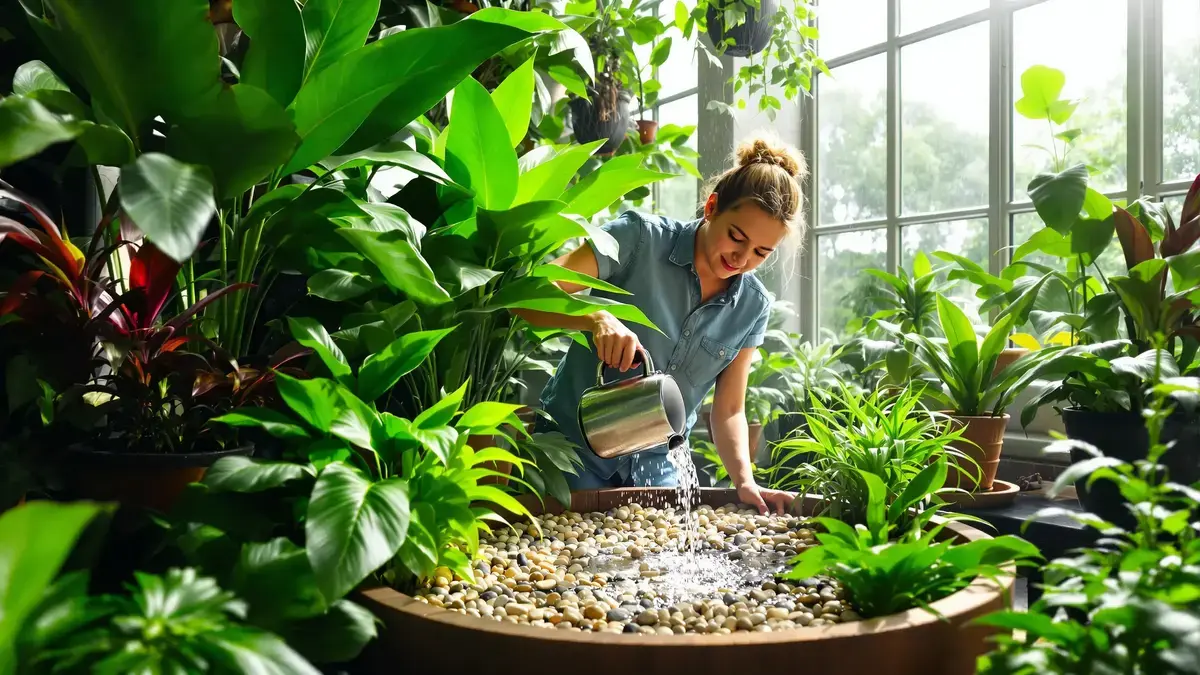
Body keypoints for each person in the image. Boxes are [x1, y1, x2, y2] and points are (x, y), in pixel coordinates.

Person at [515, 136, 806, 515]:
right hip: (572, 456)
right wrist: (595, 318)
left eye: (761, 253)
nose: (742, 258)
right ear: (712, 206)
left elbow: (730, 410)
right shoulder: (639, 239)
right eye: (737, 237)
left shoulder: (751, 306)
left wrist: (745, 481)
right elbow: (529, 296)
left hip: (658, 470)